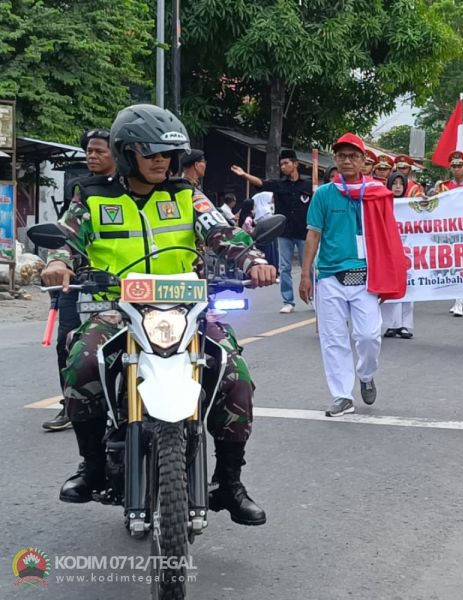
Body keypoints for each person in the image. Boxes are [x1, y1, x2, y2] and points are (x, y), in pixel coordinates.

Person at [40, 104, 275, 524]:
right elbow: (68, 239)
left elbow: (223, 232)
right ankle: (91, 466)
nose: (161, 162)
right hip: (116, 307)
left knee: (235, 374)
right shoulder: (92, 195)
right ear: (126, 152)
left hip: (187, 307)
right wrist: (58, 263)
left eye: (167, 154)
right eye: (150, 153)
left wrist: (254, 259)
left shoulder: (186, 194)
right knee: (82, 364)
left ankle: (229, 482)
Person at [298, 133, 406, 418]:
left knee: (369, 336)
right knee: (333, 339)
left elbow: (389, 234)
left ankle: (366, 375)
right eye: (342, 156)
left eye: (353, 156)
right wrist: (306, 274)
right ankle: (342, 395)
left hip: (366, 277)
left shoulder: (377, 193)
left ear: (363, 161)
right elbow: (313, 234)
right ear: (335, 160)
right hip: (330, 276)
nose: (347, 161)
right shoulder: (324, 194)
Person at [42, 128, 117, 433]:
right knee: (69, 341)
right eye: (89, 151)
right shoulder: (83, 190)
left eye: (100, 151)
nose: (92, 156)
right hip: (79, 280)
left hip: (124, 286)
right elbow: (66, 234)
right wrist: (57, 261)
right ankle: (71, 404)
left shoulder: (137, 191)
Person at [231, 150, 314, 314]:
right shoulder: (278, 185)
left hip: (304, 233)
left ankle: (315, 297)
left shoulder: (308, 185)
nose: (283, 167)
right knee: (284, 268)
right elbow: (261, 183)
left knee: (309, 267)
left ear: (295, 164)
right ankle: (288, 301)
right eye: (281, 164)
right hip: (284, 233)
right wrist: (244, 174)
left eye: (286, 163)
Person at [437, 151, 463, 316]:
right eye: (453, 166)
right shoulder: (443, 187)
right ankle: (458, 298)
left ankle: (461, 299)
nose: (456, 169)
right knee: (453, 264)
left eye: (459, 166)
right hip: (450, 230)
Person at [382, 172, 415, 339]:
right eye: (394, 183)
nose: (397, 187)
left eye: (401, 184)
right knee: (390, 288)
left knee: (408, 289)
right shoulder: (382, 203)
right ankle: (390, 325)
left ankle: (404, 325)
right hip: (388, 250)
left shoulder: (410, 205)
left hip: (408, 251)